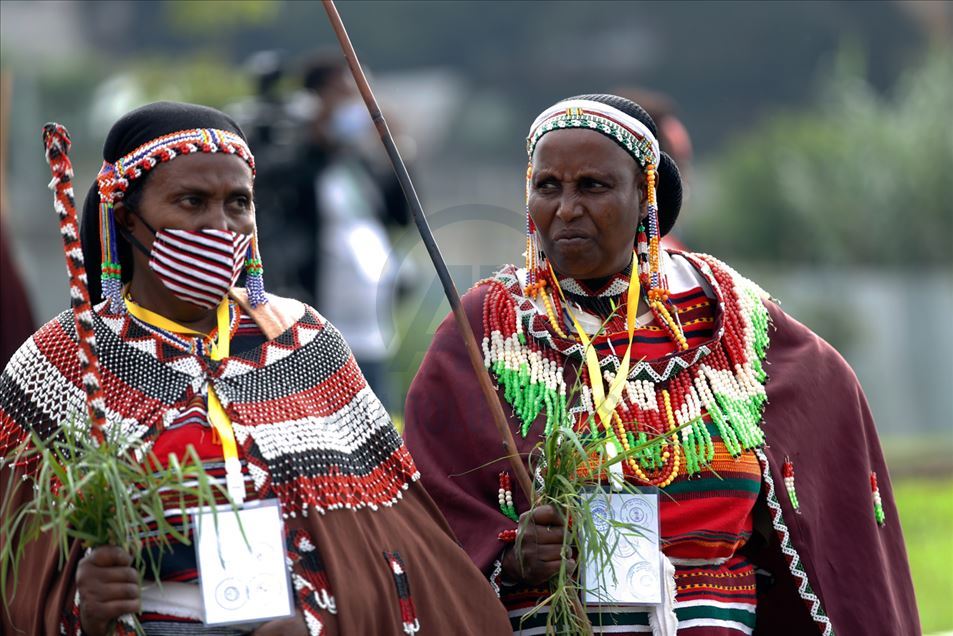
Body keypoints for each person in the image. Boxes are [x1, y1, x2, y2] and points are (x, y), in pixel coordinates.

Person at [403, 94, 920, 634]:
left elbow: (826, 419)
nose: (566, 208)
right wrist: (511, 556)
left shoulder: (728, 317)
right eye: (547, 186)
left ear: (644, 193)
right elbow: (428, 505)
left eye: (593, 186)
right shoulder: (487, 327)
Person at [0, 101, 511, 636]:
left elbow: (391, 533)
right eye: (191, 201)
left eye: (237, 203)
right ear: (128, 218)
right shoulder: (62, 359)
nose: (219, 226)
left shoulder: (305, 342)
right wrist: (83, 604)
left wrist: (319, 620)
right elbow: (20, 556)